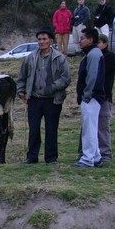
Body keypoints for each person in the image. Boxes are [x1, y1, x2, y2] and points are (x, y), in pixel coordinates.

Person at [16, 27, 71, 165]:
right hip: (34, 99)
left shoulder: (59, 58)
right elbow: (22, 76)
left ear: (51, 41)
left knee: (51, 129)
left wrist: (52, 87)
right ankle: (32, 157)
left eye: (44, 39)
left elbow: (66, 78)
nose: (41, 42)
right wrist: (21, 91)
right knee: (33, 129)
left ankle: (51, 158)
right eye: (39, 39)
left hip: (53, 99)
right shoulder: (30, 57)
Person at [74, 27, 106, 168]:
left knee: (89, 129)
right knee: (91, 127)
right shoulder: (93, 53)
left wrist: (86, 95)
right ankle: (96, 157)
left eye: (82, 38)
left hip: (91, 97)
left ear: (90, 39)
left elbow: (92, 77)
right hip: (92, 96)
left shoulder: (93, 54)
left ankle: (87, 159)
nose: (80, 41)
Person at [97, 34, 115, 162]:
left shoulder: (109, 56)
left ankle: (105, 153)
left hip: (104, 96)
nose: (97, 45)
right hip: (92, 97)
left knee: (103, 125)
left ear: (105, 44)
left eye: (99, 43)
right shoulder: (90, 56)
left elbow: (102, 74)